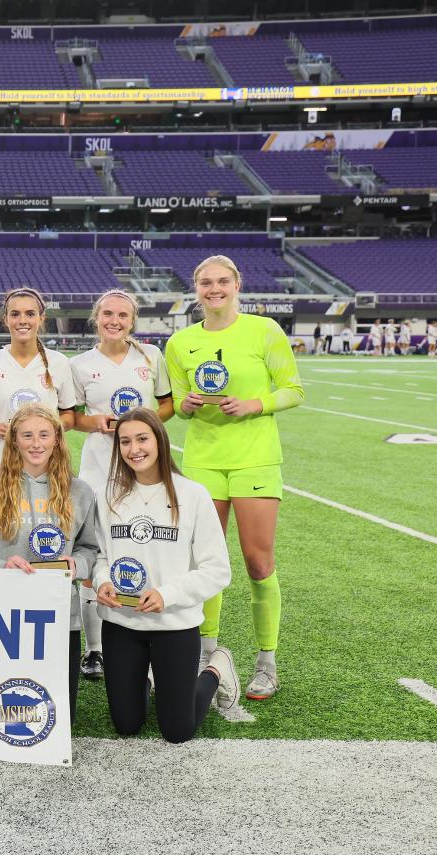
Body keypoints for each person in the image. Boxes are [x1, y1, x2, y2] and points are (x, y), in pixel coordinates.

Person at [165, 255, 304, 700]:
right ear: (196, 288)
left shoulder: (265, 330)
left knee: (258, 562)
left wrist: (253, 404)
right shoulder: (181, 342)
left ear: (237, 284)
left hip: (255, 460)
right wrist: (186, 407)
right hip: (204, 462)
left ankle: (267, 660)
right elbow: (178, 401)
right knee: (204, 561)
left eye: (222, 281)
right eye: (205, 282)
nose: (214, 289)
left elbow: (293, 390)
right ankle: (208, 654)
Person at [93, 408, 240, 742]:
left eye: (142, 439)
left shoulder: (193, 494)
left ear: (159, 440)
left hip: (174, 625)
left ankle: (217, 668)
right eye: (125, 442)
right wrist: (102, 581)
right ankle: (144, 678)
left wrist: (167, 595)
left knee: (177, 731)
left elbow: (217, 570)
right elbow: (100, 555)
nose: (134, 449)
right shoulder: (108, 495)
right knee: (127, 725)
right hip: (121, 624)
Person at [0, 404, 103, 722]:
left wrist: (75, 565)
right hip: (3, 616)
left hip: (59, 616)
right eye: (27, 435)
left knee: (57, 719)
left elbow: (90, 549)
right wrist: (0, 566)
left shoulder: (79, 492)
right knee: (2, 713)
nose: (36, 443)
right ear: (14, 441)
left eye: (44, 434)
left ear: (57, 439)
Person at [69, 289, 173, 680]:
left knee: (144, 547)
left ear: (133, 321)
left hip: (143, 469)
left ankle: (142, 638)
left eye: (123, 315)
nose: (115, 321)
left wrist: (142, 422)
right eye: (108, 314)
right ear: (97, 317)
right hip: (98, 470)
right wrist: (92, 422)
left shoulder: (151, 356)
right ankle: (94, 650)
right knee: (95, 555)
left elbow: (168, 404)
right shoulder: (80, 364)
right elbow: (71, 416)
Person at [0, 287, 77, 479]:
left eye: (30, 314)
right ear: (6, 319)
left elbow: (69, 414)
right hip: (1, 465)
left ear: (41, 318)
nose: (22, 321)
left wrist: (48, 430)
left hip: (48, 465)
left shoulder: (59, 362)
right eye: (15, 314)